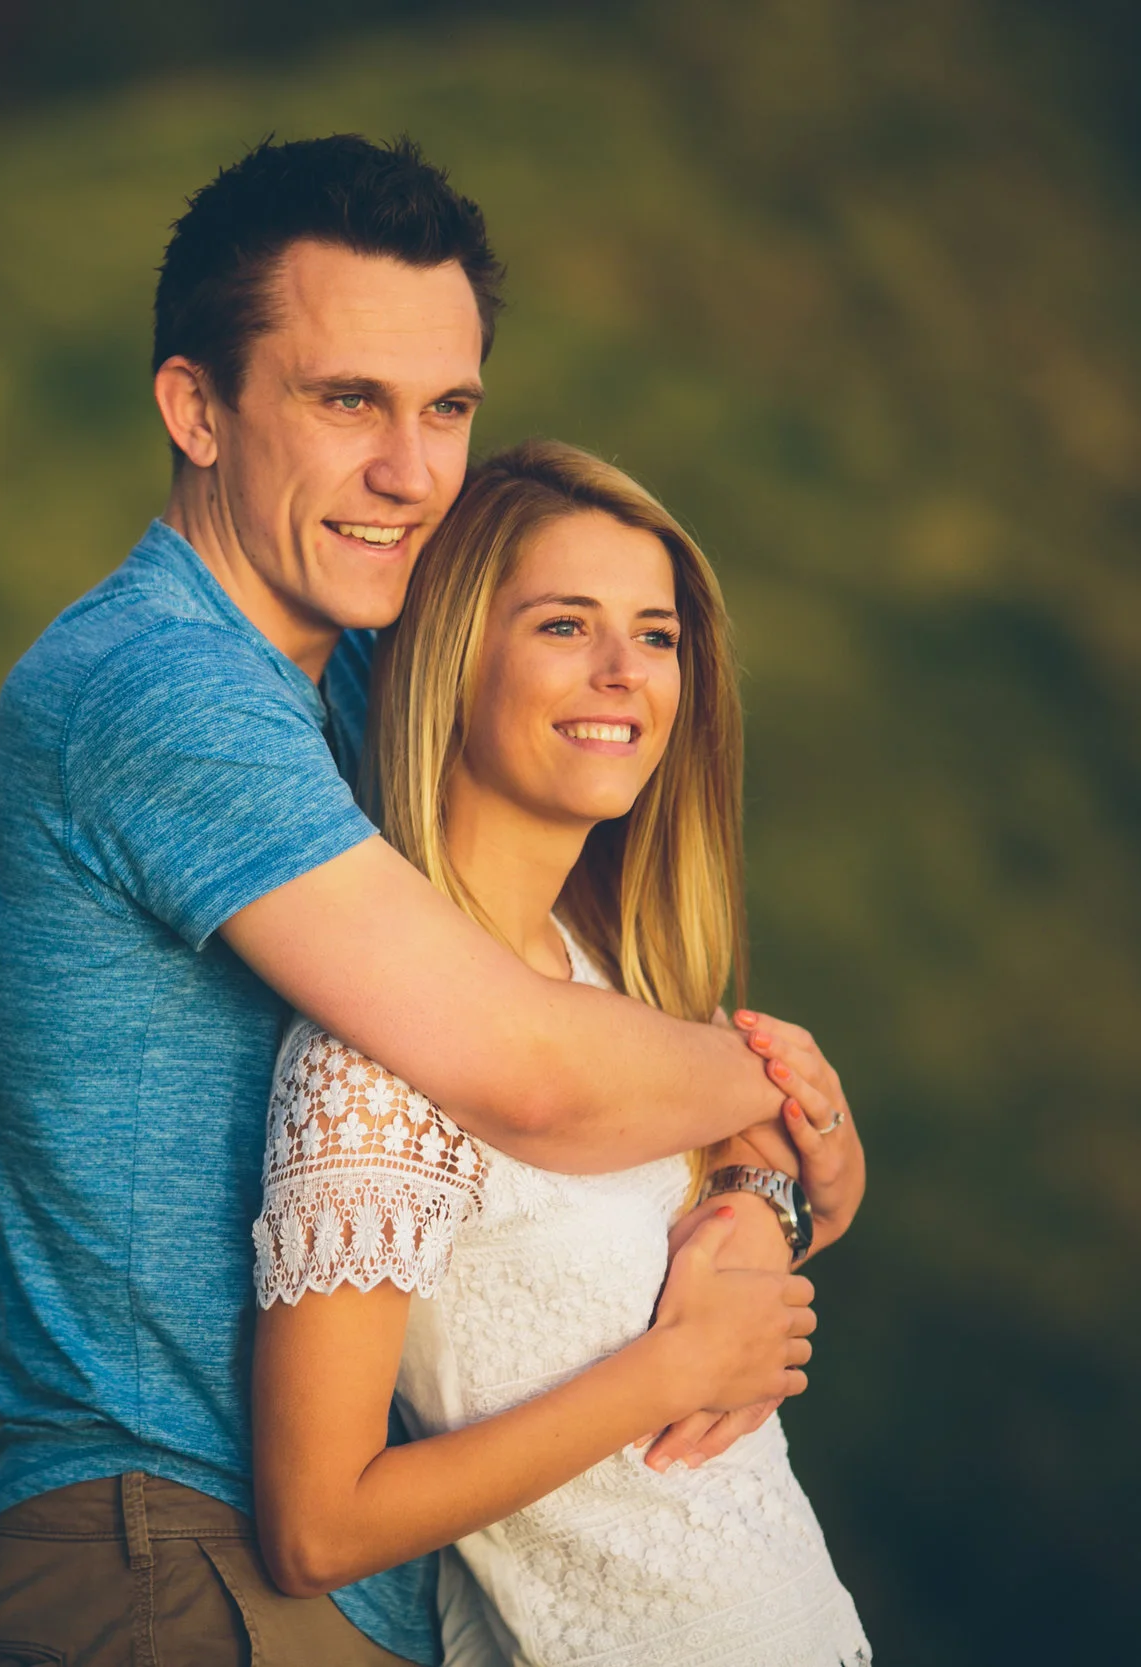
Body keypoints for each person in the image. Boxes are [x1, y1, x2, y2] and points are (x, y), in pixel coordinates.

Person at [0, 136, 861, 1666]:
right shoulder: (157, 688)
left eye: (447, 407)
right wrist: (764, 1084)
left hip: (372, 1583)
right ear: (196, 407)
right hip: (169, 1548)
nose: (412, 470)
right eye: (345, 401)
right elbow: (520, 1059)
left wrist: (744, 1192)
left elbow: (575, 1062)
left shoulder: (376, 673)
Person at [249, 440, 870, 1667]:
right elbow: (315, 1528)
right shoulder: (374, 1056)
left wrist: (757, 1203)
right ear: (451, 659)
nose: (620, 673)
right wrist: (672, 1368)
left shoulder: (602, 967)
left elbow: (821, 1180)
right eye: (562, 625)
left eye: (655, 635)